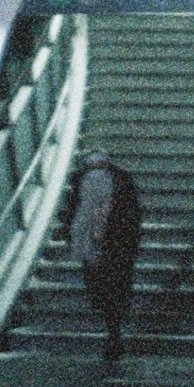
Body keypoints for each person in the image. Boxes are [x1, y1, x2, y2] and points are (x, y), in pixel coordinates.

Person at [59, 147, 142, 369]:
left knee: (103, 289)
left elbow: (73, 213)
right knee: (114, 289)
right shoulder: (120, 181)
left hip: (101, 246)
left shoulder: (82, 182)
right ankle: (114, 330)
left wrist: (72, 236)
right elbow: (133, 215)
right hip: (116, 246)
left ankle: (113, 332)